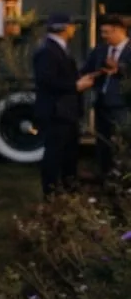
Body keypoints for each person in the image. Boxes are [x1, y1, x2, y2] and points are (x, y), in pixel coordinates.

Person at [32, 12, 97, 194]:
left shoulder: (56, 48)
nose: (74, 29)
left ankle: (68, 189)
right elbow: (47, 80)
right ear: (64, 28)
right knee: (55, 153)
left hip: (66, 111)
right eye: (71, 26)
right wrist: (76, 85)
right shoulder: (48, 50)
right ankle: (51, 192)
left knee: (69, 154)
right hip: (56, 111)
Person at [84, 14, 129, 180]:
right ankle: (104, 173)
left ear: (119, 31)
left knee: (124, 140)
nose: (103, 36)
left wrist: (119, 69)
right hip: (101, 103)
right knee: (102, 141)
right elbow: (87, 69)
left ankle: (124, 175)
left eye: (106, 32)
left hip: (123, 105)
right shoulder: (100, 50)